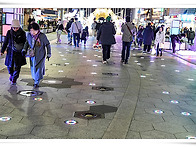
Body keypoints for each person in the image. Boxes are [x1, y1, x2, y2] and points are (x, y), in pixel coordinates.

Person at [22, 22, 51, 88]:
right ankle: (36, 79)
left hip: (41, 55)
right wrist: (24, 50)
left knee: (39, 68)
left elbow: (47, 44)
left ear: (37, 30)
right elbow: (27, 43)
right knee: (33, 68)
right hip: (32, 55)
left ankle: (36, 82)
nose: (33, 32)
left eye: (34, 30)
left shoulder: (42, 36)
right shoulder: (29, 35)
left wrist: (49, 54)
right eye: (31, 30)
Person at [0, 19, 26, 85]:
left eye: (16, 27)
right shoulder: (9, 32)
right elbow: (5, 42)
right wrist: (2, 51)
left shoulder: (22, 33)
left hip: (19, 52)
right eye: (13, 27)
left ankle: (14, 79)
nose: (15, 29)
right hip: (10, 52)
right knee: (9, 66)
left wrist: (25, 51)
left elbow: (25, 43)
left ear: (19, 27)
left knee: (17, 66)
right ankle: (11, 74)